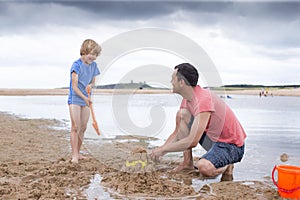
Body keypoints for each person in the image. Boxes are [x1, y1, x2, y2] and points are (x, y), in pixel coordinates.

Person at [150, 63, 246, 180]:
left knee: (204, 167)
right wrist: (159, 150)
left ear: (182, 82)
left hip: (232, 146)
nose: (171, 82)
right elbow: (177, 133)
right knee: (182, 115)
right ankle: (187, 163)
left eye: (173, 79)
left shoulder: (203, 99)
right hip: (213, 141)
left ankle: (227, 165)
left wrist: (164, 150)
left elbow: (192, 141)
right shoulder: (188, 98)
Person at [67, 39, 101, 163]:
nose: (92, 57)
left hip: (86, 98)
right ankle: (74, 155)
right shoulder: (76, 65)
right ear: (84, 52)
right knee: (75, 127)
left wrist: (90, 86)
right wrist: (85, 97)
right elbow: (74, 87)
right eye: (91, 53)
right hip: (76, 98)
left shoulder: (94, 66)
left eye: (95, 54)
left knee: (83, 127)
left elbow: (92, 82)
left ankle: (79, 152)